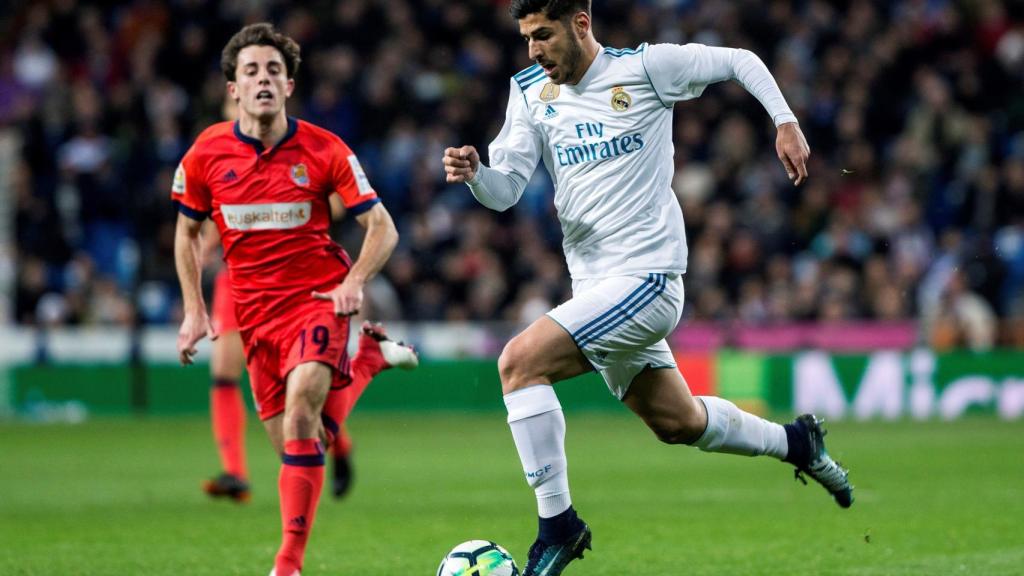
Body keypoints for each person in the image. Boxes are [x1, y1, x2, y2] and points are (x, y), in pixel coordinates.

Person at [442, 2, 853, 575]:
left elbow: (738, 59)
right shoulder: (530, 89)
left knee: (519, 364)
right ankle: (798, 443)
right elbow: (506, 189)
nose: (533, 50)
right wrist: (477, 173)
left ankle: (558, 527)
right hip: (594, 288)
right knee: (678, 423)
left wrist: (784, 120)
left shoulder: (646, 70)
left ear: (580, 24)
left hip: (649, 278)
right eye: (525, 38)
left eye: (542, 36)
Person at [173, 23, 415, 576]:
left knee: (306, 401)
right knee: (298, 442)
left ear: (289, 86)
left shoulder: (325, 148)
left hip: (318, 300)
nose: (263, 79)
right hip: (253, 315)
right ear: (233, 87)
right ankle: (371, 360)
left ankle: (287, 564)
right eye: (251, 71)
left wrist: (354, 280)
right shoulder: (206, 153)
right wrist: (194, 310)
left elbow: (382, 226)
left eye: (274, 71)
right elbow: (185, 233)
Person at [200, 201, 394, 503]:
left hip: (292, 276)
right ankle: (235, 472)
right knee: (224, 373)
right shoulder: (224, 158)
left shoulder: (304, 158)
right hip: (239, 276)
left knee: (302, 388)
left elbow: (335, 205)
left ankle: (340, 443)